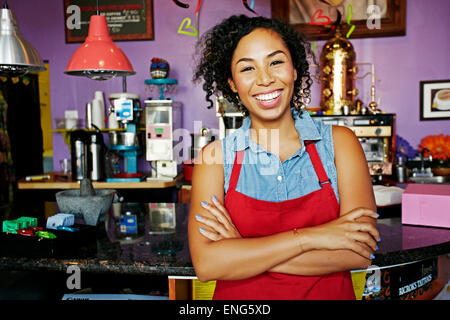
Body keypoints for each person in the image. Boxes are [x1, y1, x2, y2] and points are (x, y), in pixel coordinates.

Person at [188, 15, 379, 300]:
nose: (265, 79)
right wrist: (311, 237)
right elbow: (207, 264)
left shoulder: (340, 144)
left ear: (294, 69)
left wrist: (242, 250)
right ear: (232, 83)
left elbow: (359, 253)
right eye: (247, 68)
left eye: (276, 62)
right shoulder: (213, 159)